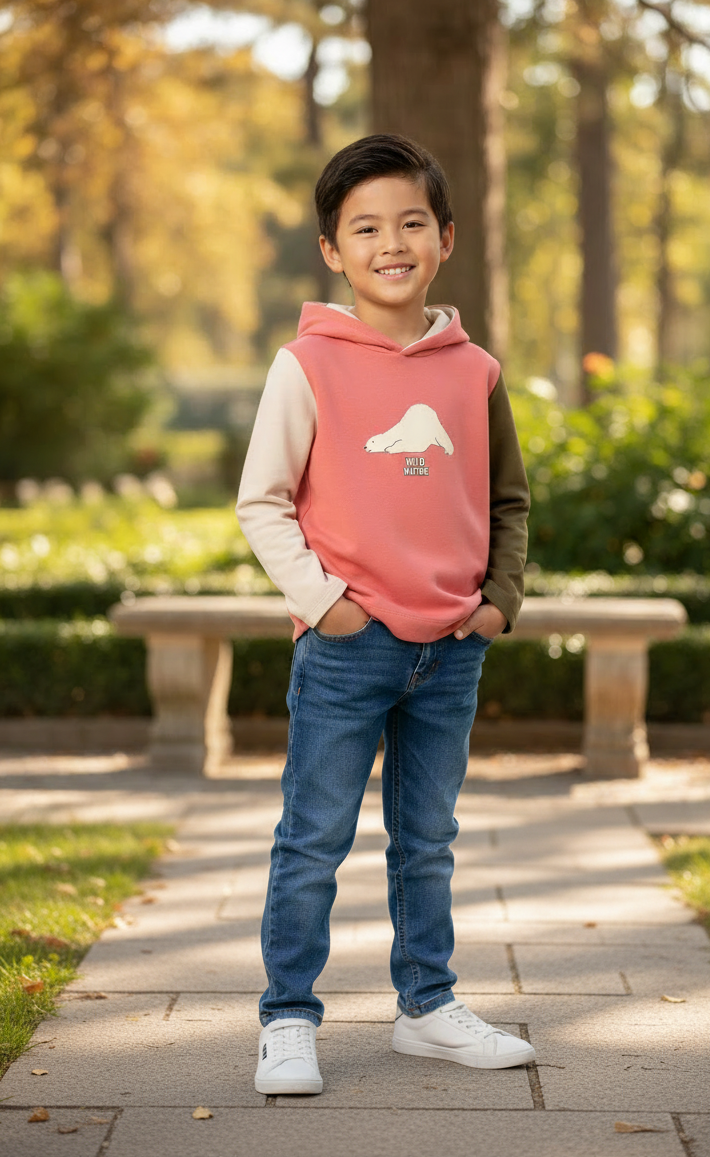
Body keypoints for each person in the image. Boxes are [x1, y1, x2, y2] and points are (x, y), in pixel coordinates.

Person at [236, 133, 533, 1096]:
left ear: (445, 238)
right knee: (313, 836)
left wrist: (496, 606)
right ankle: (287, 1019)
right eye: (365, 227)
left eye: (411, 222)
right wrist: (326, 607)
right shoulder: (307, 365)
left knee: (429, 838)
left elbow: (508, 502)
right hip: (346, 650)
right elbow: (262, 502)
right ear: (333, 250)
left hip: (451, 651)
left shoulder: (476, 372)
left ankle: (427, 1007)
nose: (390, 242)